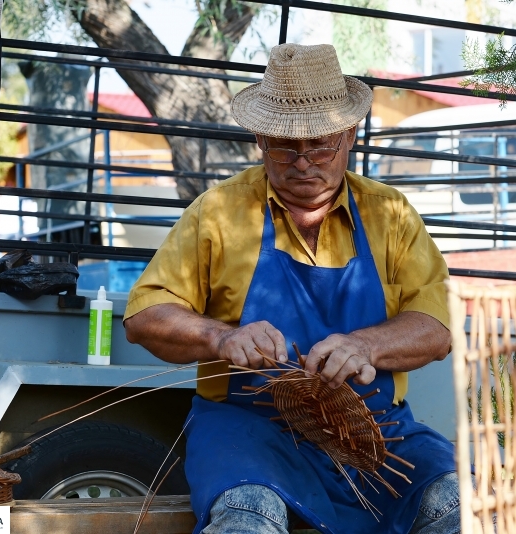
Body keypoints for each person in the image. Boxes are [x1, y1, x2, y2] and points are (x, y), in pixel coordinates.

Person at [124, 43, 463, 534]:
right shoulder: (218, 212)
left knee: (460, 508)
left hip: (376, 435)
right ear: (261, 140)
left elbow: (438, 325)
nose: (303, 163)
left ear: (349, 135)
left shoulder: (390, 214)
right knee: (249, 516)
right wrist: (221, 338)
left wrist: (366, 344)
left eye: (320, 145)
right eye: (285, 146)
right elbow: (145, 316)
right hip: (249, 431)